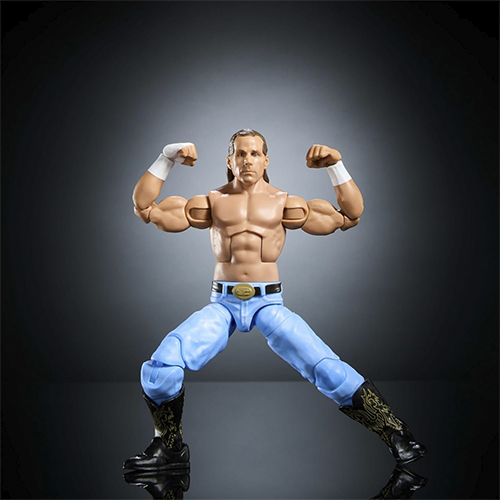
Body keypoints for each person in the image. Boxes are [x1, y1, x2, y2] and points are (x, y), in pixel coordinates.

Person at [124, 129, 426, 471]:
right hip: (223, 304)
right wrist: (165, 158)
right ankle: (170, 448)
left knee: (327, 369)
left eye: (254, 153)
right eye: (240, 153)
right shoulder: (211, 202)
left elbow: (350, 215)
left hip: (268, 303)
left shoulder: (285, 203)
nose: (247, 160)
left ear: (266, 160)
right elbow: (145, 208)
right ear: (229, 161)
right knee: (161, 367)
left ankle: (396, 433)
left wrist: (336, 165)